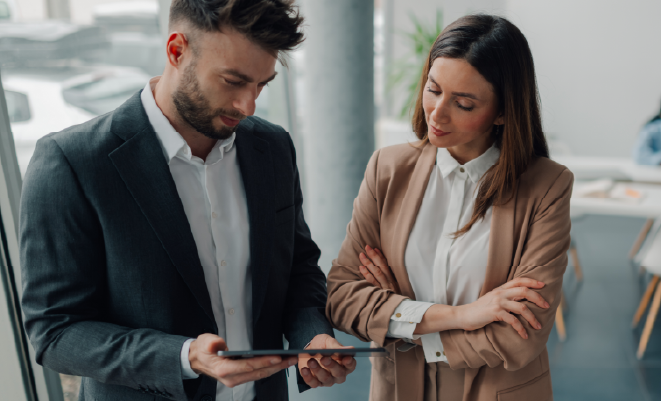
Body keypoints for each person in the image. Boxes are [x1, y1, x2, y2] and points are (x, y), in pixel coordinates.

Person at [19, 1, 355, 400]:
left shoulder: (273, 147)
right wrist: (183, 356)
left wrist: (312, 336)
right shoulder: (73, 162)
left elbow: (297, 268)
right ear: (177, 51)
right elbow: (56, 331)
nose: (247, 106)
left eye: (262, 85)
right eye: (233, 81)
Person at [325, 14, 572, 401]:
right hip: (398, 390)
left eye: (464, 103)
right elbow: (341, 296)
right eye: (433, 89)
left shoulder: (547, 187)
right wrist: (466, 314)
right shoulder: (387, 169)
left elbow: (522, 334)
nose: (437, 113)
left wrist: (401, 320)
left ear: (504, 112)